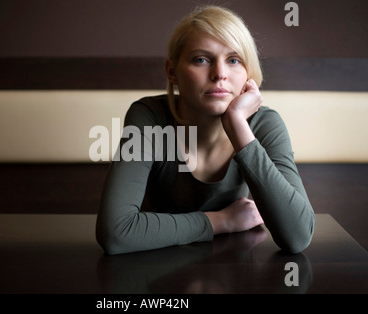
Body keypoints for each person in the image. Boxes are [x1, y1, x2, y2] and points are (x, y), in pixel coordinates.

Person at [96, 5, 315, 255]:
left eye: (234, 60)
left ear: (249, 74)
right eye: (201, 59)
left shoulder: (264, 124)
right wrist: (222, 221)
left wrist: (237, 124)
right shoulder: (149, 116)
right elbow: (116, 232)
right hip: (158, 268)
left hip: (238, 268)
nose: (219, 74)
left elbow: (298, 236)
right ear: (172, 71)